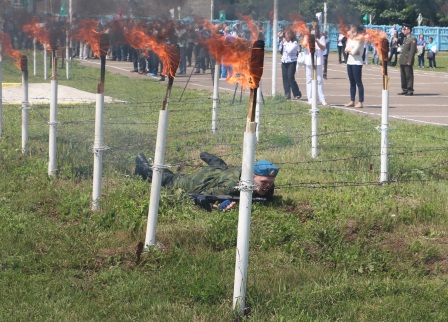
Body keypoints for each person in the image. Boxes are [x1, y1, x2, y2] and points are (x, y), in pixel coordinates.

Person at [134, 152, 279, 211]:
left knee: (221, 167)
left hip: (220, 171)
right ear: (251, 176)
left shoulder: (255, 180)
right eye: (264, 182)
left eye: (270, 182)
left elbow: (265, 195)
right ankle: (144, 167)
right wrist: (219, 204)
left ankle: (214, 161)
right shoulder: (230, 187)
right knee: (171, 180)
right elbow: (203, 195)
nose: (268, 186)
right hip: (202, 181)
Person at [302, 21, 327, 105]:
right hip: (309, 60)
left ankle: (322, 99)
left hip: (318, 60)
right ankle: (310, 98)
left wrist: (316, 41)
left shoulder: (321, 37)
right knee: (309, 80)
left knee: (319, 80)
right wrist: (309, 39)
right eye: (312, 29)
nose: (314, 31)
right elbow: (303, 45)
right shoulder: (307, 36)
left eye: (315, 29)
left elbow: (323, 48)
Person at [344, 24, 365, 108]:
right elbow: (346, 49)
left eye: (353, 31)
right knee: (352, 82)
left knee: (358, 82)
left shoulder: (360, 40)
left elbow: (354, 51)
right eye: (351, 31)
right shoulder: (350, 39)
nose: (351, 33)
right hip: (350, 62)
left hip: (357, 63)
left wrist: (351, 50)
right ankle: (352, 100)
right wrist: (351, 50)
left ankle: (360, 101)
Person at [279, 29, 302, 100]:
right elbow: (280, 49)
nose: (285, 37)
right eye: (285, 35)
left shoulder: (294, 43)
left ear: (290, 36)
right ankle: (287, 94)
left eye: (287, 35)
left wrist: (285, 43)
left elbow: (289, 51)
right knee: (285, 78)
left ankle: (297, 93)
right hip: (284, 61)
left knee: (290, 78)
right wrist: (281, 43)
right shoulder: (285, 42)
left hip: (292, 62)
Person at [398, 23, 417, 96]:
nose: (403, 30)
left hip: (407, 60)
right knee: (403, 76)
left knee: (409, 76)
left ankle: (410, 90)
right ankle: (404, 89)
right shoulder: (405, 38)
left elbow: (412, 51)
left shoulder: (412, 39)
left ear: (409, 30)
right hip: (403, 60)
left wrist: (410, 60)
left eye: (404, 29)